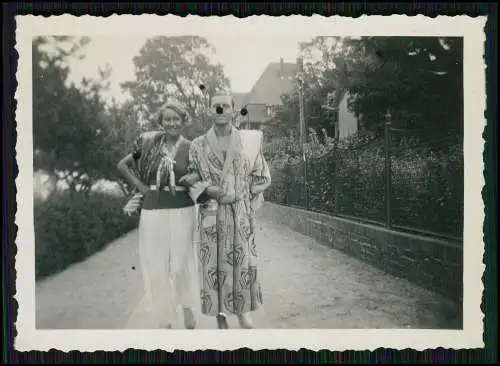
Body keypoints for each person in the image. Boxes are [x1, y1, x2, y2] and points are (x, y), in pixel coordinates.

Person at [117, 100, 208, 330]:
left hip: (183, 209)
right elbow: (123, 165)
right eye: (167, 119)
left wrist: (193, 178)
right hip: (152, 211)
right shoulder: (148, 144)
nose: (171, 123)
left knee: (180, 264)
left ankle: (187, 307)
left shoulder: (192, 147)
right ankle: (165, 317)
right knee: (157, 265)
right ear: (161, 122)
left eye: (176, 118)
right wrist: (140, 185)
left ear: (183, 121)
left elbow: (202, 172)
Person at [183, 92, 271, 329]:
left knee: (242, 261)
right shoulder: (197, 145)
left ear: (233, 110)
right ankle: (220, 313)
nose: (220, 110)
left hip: (239, 212)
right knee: (214, 263)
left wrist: (242, 191)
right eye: (215, 106)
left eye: (224, 106)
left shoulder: (248, 143)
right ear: (209, 111)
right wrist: (210, 191)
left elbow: (262, 174)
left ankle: (242, 310)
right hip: (212, 211)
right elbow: (193, 179)